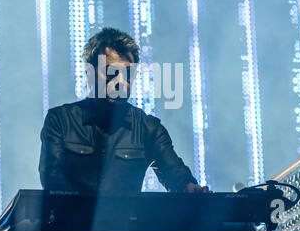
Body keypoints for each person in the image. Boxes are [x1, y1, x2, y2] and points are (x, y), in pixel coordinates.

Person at [38, 27, 210, 194]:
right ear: (89, 73)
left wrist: (188, 187)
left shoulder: (148, 128)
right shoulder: (60, 120)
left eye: (127, 74)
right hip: (73, 222)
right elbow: (53, 180)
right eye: (111, 72)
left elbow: (175, 172)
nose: (120, 82)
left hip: (126, 224)